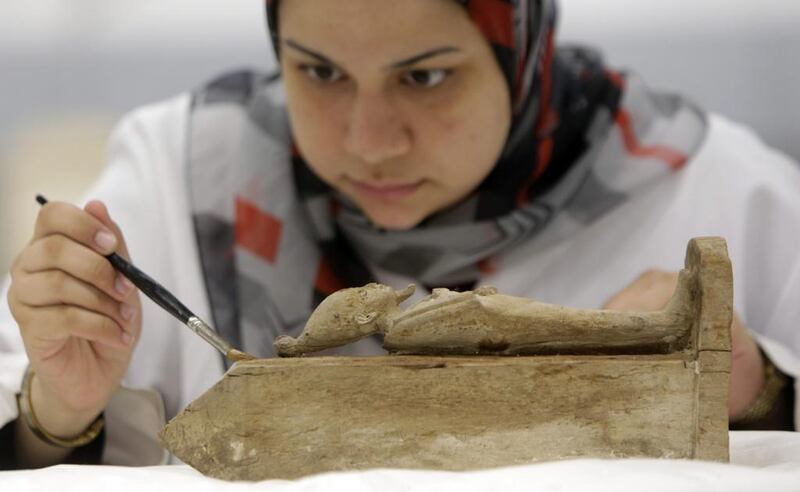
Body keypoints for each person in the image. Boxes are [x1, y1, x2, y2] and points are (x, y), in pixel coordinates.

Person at [1, 0, 798, 469]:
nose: (369, 140)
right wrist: (55, 416)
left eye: (424, 77)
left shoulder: (718, 193)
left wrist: (761, 392)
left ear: (519, 48)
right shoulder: (179, 181)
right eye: (318, 72)